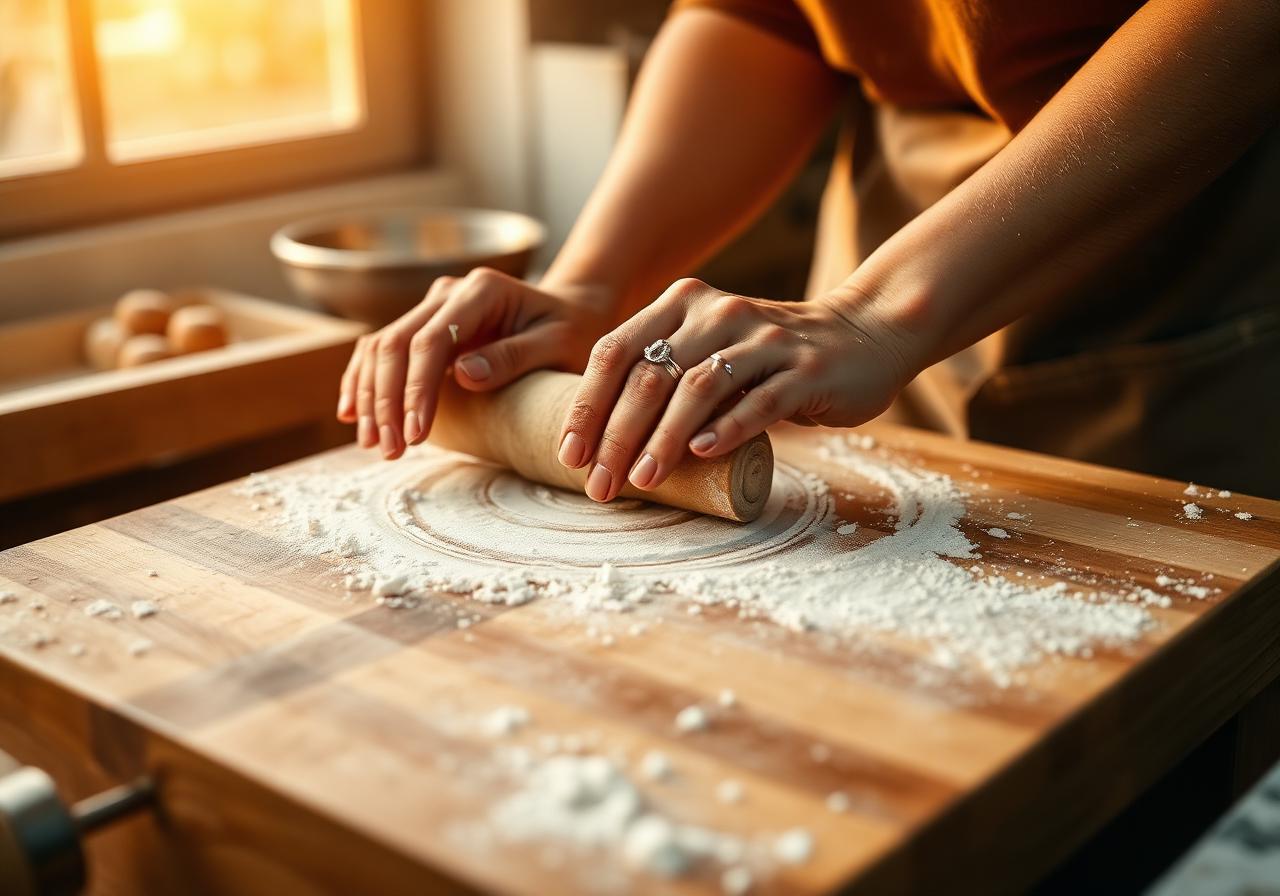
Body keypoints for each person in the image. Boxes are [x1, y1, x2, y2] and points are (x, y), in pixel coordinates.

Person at [337, 0, 1280, 501]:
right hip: (888, 247)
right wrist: (590, 282)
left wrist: (874, 314)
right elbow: (768, 13)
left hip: (1183, 245)